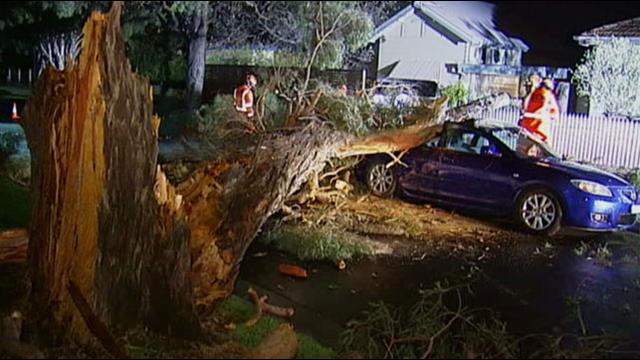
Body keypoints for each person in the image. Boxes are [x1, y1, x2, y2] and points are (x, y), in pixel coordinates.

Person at [518, 76, 559, 143]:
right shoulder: (534, 94)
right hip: (529, 132)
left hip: (538, 134)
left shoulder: (547, 96)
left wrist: (544, 115)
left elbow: (555, 115)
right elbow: (524, 108)